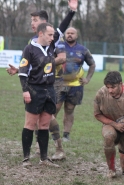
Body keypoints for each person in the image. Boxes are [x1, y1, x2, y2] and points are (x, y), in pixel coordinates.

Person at [6, 0, 78, 160]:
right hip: (36, 85)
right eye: (31, 20)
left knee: (47, 119)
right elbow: (32, 65)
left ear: (44, 24)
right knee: (38, 121)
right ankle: (38, 152)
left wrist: (72, 12)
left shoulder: (53, 39)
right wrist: (20, 70)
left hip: (54, 83)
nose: (32, 23)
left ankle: (57, 149)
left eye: (35, 20)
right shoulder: (32, 43)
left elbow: (62, 58)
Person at [19, 22, 61, 167]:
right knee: (30, 124)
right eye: (50, 35)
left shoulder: (51, 46)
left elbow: (62, 27)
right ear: (41, 33)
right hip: (34, 89)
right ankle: (26, 158)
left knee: (44, 125)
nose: (52, 37)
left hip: (50, 90)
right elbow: (23, 72)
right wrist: (25, 91)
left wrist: (72, 11)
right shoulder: (29, 49)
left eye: (53, 35)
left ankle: (44, 159)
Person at [55, 27, 96, 141]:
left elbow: (92, 64)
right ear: (64, 35)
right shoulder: (58, 47)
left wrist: (87, 79)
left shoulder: (83, 50)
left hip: (76, 85)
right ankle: (50, 132)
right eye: (68, 33)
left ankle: (66, 135)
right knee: (54, 108)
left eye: (72, 33)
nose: (70, 35)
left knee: (69, 109)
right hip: (59, 84)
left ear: (76, 35)